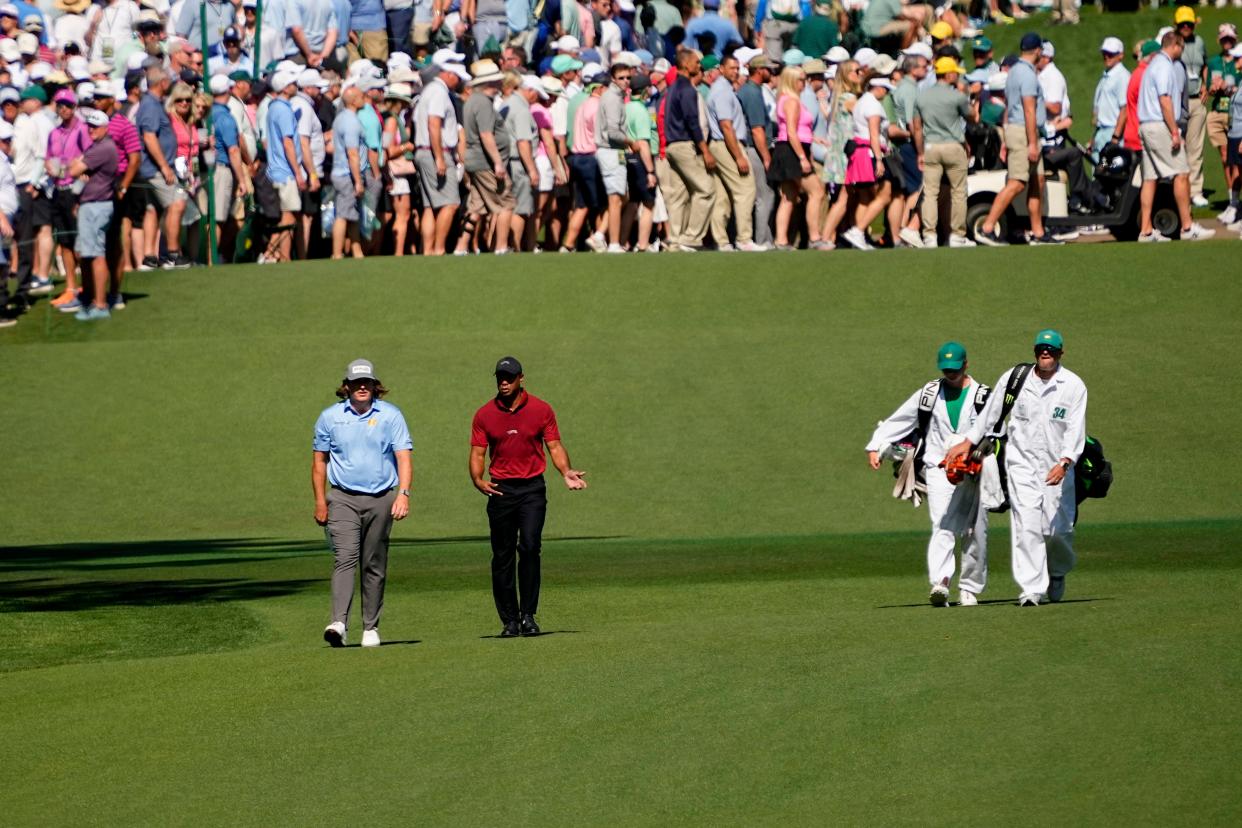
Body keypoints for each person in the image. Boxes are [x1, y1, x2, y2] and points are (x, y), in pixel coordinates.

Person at [947, 330, 1087, 607]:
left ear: (1061, 353)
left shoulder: (1073, 386)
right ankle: (1031, 588)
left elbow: (1075, 430)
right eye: (1040, 348)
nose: (1045, 352)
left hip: (1057, 466)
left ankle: (1057, 572)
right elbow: (990, 414)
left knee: (1057, 531)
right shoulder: (1016, 378)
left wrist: (1065, 462)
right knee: (1027, 526)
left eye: (1050, 349)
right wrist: (968, 442)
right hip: (1021, 463)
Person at [470, 356, 587, 638]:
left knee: (530, 547)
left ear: (521, 378)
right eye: (500, 377)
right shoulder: (485, 414)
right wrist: (477, 479)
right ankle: (509, 620)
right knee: (502, 555)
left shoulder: (541, 409)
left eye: (509, 377)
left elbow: (554, 445)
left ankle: (528, 616)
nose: (504, 382)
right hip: (500, 490)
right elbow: (477, 453)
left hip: (532, 489)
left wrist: (565, 471)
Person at [867, 342, 990, 606]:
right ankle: (941, 582)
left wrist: (980, 455)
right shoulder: (929, 393)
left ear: (966, 365)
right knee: (942, 524)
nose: (950, 373)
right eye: (946, 369)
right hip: (938, 468)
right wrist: (876, 445)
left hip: (974, 471)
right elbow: (902, 419)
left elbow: (997, 432)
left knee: (974, 528)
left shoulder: (982, 395)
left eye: (955, 369)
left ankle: (969, 588)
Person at [313, 358, 413, 648]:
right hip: (342, 497)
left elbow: (404, 456)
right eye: (355, 383)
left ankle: (371, 627)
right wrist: (320, 501)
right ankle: (339, 623)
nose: (361, 387)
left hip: (382, 498)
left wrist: (403, 494)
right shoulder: (330, 417)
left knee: (374, 562)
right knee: (345, 557)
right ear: (346, 386)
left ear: (374, 385)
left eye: (366, 382)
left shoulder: (391, 416)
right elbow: (319, 463)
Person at [975, 33, 1059, 247]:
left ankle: (1038, 232)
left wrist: (1007, 139)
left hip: (1020, 130)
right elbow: (1028, 110)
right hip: (1025, 132)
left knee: (1037, 180)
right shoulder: (1027, 75)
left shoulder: (1013, 72)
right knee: (1017, 183)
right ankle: (987, 227)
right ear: (1038, 51)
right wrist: (1032, 143)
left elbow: (1010, 106)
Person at [1137, 32, 1214, 242]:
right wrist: (1173, 130)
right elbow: (1165, 101)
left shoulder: (1152, 65)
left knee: (1150, 178)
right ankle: (1187, 227)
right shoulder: (1164, 66)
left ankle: (1145, 230)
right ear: (1176, 45)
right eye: (1182, 47)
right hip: (1159, 125)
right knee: (1182, 172)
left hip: (1146, 125)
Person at [913, 57, 977, 248]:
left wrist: (920, 152)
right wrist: (965, 93)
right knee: (959, 192)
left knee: (930, 193)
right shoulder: (956, 95)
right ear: (948, 74)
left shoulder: (922, 96)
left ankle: (929, 236)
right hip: (953, 146)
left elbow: (917, 128)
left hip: (931, 146)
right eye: (955, 72)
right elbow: (972, 117)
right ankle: (957, 235)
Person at [67, 108, 117, 321]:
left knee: (95, 255)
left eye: (95, 126)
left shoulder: (102, 148)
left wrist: (78, 164)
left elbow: (72, 170)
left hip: (97, 207)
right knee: (85, 254)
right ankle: (90, 298)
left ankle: (100, 304)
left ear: (105, 128)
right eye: (89, 125)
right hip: (92, 205)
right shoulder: (98, 147)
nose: (91, 129)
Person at [706, 53, 760, 252]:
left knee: (722, 195)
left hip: (721, 143)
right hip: (727, 143)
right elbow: (726, 125)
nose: (735, 72)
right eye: (731, 68)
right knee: (745, 189)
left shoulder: (723, 90)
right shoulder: (722, 92)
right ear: (721, 69)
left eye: (737, 68)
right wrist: (738, 156)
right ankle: (744, 238)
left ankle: (721, 240)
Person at [663, 49, 715, 252]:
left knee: (679, 195)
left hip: (671, 146)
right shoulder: (687, 90)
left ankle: (675, 240)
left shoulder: (673, 88)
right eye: (695, 62)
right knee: (706, 189)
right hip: (684, 145)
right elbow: (692, 122)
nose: (698, 65)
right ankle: (691, 238)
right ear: (685, 65)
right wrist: (705, 150)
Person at [736, 53, 774, 248]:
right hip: (753, 149)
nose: (772, 72)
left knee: (764, 195)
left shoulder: (754, 90)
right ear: (759, 70)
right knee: (764, 195)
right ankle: (763, 240)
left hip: (753, 148)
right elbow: (757, 130)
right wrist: (766, 157)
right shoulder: (751, 92)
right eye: (769, 69)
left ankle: (766, 239)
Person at [1174, 6, 1209, 208]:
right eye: (1182, 24)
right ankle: (1178, 189)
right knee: (1179, 147)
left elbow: (1204, 64)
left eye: (1189, 23)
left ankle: (1195, 190)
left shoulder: (1199, 42)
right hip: (1179, 102)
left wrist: (1205, 84)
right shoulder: (1174, 43)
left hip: (1196, 99)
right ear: (1177, 25)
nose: (1186, 27)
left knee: (1195, 148)